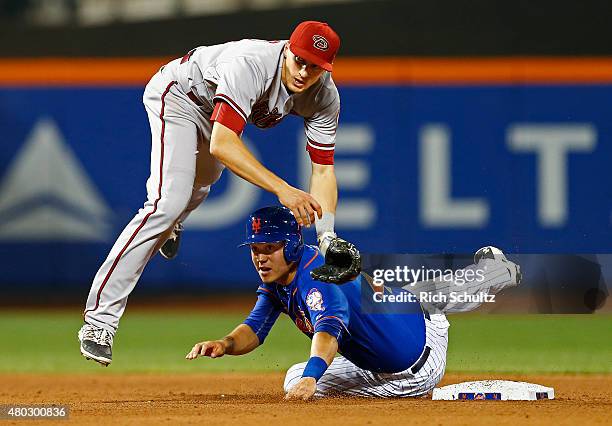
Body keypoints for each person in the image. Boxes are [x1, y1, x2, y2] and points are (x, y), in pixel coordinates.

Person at [78, 21, 361, 367]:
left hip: (215, 117)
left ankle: (175, 220)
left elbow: (323, 170)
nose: (304, 71)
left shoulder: (324, 96)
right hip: (180, 96)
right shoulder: (252, 63)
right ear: (287, 48)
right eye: (299, 60)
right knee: (165, 205)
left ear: (327, 68)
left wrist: (328, 234)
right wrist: (283, 189)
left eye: (315, 66)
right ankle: (99, 321)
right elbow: (224, 144)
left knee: (197, 189)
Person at [186, 206, 522, 399]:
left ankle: (411, 394)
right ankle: (492, 273)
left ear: (290, 247)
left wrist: (313, 377)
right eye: (255, 249)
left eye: (269, 247)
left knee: (297, 379)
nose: (260, 257)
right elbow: (256, 327)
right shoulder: (282, 279)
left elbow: (328, 332)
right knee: (406, 294)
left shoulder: (317, 279)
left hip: (411, 371)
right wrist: (225, 343)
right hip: (416, 311)